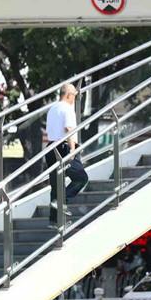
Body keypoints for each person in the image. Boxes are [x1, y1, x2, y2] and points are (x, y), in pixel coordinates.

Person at [44, 83, 88, 217]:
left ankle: (53, 220)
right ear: (68, 95)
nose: (75, 98)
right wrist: (73, 150)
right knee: (81, 178)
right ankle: (61, 201)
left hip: (50, 148)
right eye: (74, 95)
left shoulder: (53, 108)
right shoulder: (67, 109)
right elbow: (68, 129)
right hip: (64, 148)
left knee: (56, 185)